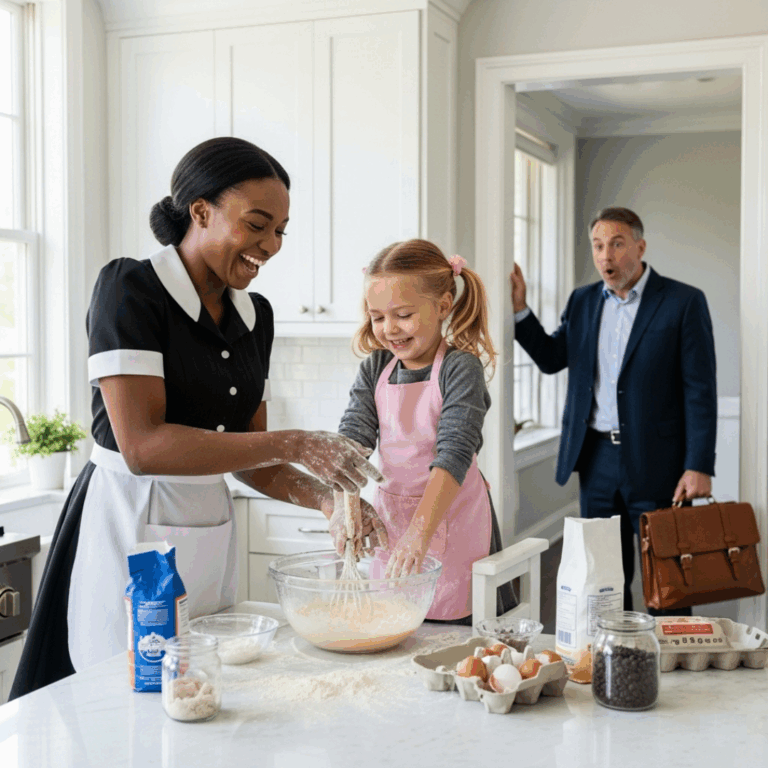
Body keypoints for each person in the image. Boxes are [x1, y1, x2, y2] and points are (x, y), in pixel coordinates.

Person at [11, 137, 387, 699]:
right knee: (126, 693)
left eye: (281, 231)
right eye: (258, 224)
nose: (271, 245)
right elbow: (142, 447)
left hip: (208, 527)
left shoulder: (255, 315)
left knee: (203, 688)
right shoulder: (130, 289)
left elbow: (252, 462)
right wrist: (294, 442)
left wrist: (328, 501)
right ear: (201, 210)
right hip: (129, 521)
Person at [510, 206, 717, 615]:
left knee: (667, 574)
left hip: (661, 463)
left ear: (640, 246)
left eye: (617, 244)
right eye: (598, 246)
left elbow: (700, 389)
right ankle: (613, 656)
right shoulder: (583, 301)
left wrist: (699, 466)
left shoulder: (683, 302)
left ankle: (672, 664)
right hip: (597, 458)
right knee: (602, 575)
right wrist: (520, 309)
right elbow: (552, 358)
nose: (606, 256)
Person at [337, 239, 516, 625]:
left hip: (453, 521)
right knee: (396, 628)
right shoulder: (375, 368)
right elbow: (352, 441)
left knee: (456, 639)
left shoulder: (460, 368)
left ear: (443, 307)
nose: (389, 329)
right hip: (394, 524)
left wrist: (420, 534)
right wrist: (345, 507)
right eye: (377, 317)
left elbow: (453, 454)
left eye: (402, 314)